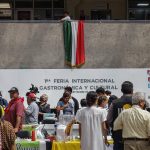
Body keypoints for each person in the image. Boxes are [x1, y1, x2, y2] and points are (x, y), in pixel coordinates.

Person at [107, 81, 133, 150]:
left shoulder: (114, 103)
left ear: (121, 90)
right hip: (135, 138)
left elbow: (109, 120)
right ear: (132, 90)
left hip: (119, 137)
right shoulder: (139, 103)